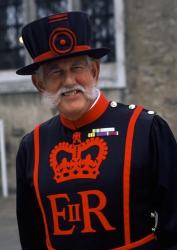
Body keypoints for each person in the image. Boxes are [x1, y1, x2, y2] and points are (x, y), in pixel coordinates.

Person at [16, 11, 177, 250]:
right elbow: (32, 237)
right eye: (55, 71)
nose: (69, 81)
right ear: (39, 84)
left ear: (95, 71)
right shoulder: (32, 146)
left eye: (77, 67)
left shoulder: (145, 129)